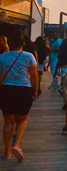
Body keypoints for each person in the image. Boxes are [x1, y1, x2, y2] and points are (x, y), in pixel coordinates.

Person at [0, 30, 38, 160]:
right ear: (23, 43)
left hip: (6, 90)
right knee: (22, 119)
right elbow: (34, 76)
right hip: (23, 89)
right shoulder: (29, 56)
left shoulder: (2, 57)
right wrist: (35, 90)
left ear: (9, 43)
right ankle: (17, 144)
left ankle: (7, 151)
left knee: (8, 122)